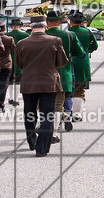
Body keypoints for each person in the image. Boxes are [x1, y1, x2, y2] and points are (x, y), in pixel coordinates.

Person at [14, 15, 69, 156]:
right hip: (49, 83)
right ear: (45, 26)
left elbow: (19, 64)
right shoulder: (55, 41)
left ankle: (32, 141)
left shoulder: (21, 43)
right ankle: (42, 148)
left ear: (31, 27)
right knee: (47, 116)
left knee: (29, 114)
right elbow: (63, 61)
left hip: (29, 83)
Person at [46, 10, 85, 134]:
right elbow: (80, 53)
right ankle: (65, 115)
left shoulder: (41, 34)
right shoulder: (69, 35)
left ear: (47, 23)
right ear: (59, 22)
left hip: (46, 74)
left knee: (47, 101)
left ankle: (50, 124)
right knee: (66, 97)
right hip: (65, 73)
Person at [69, 12, 98, 122]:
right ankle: (76, 115)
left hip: (68, 63)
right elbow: (95, 46)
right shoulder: (88, 32)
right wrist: (87, 50)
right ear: (81, 22)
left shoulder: (68, 33)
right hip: (83, 63)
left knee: (67, 89)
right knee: (79, 90)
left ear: (70, 21)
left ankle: (67, 111)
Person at [6, 17, 29, 106]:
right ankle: (16, 99)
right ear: (20, 25)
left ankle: (11, 98)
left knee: (10, 80)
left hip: (8, 60)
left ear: (12, 26)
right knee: (18, 81)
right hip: (21, 61)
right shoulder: (26, 35)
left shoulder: (6, 35)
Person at [0, 21, 15, 114]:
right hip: (6, 64)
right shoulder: (9, 39)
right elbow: (14, 49)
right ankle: (0, 106)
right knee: (3, 86)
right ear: (4, 29)